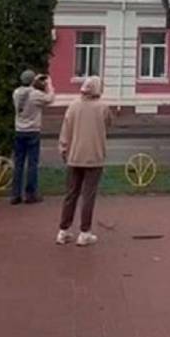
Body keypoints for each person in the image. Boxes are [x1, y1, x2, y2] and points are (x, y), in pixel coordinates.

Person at [56, 75, 113, 247]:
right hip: (94, 157)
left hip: (74, 156)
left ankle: (63, 230)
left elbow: (65, 129)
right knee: (88, 195)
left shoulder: (73, 105)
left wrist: (63, 149)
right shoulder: (103, 107)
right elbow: (109, 124)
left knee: (71, 194)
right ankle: (84, 232)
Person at [10, 70, 55, 205]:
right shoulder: (35, 94)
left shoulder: (16, 93)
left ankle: (15, 195)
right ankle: (30, 194)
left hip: (19, 130)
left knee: (18, 164)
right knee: (32, 164)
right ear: (32, 80)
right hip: (33, 131)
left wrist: (34, 82)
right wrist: (49, 84)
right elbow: (50, 99)